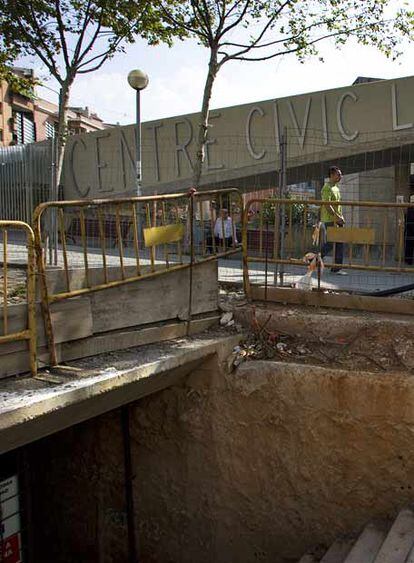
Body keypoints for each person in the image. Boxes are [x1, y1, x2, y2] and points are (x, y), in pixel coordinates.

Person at [321, 166, 345, 274]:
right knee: (331, 243)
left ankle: (337, 267)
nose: (340, 176)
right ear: (331, 175)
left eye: (340, 174)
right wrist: (336, 216)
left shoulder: (336, 187)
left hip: (338, 219)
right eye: (338, 174)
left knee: (339, 242)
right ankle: (315, 258)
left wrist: (340, 217)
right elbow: (327, 205)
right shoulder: (327, 188)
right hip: (330, 220)